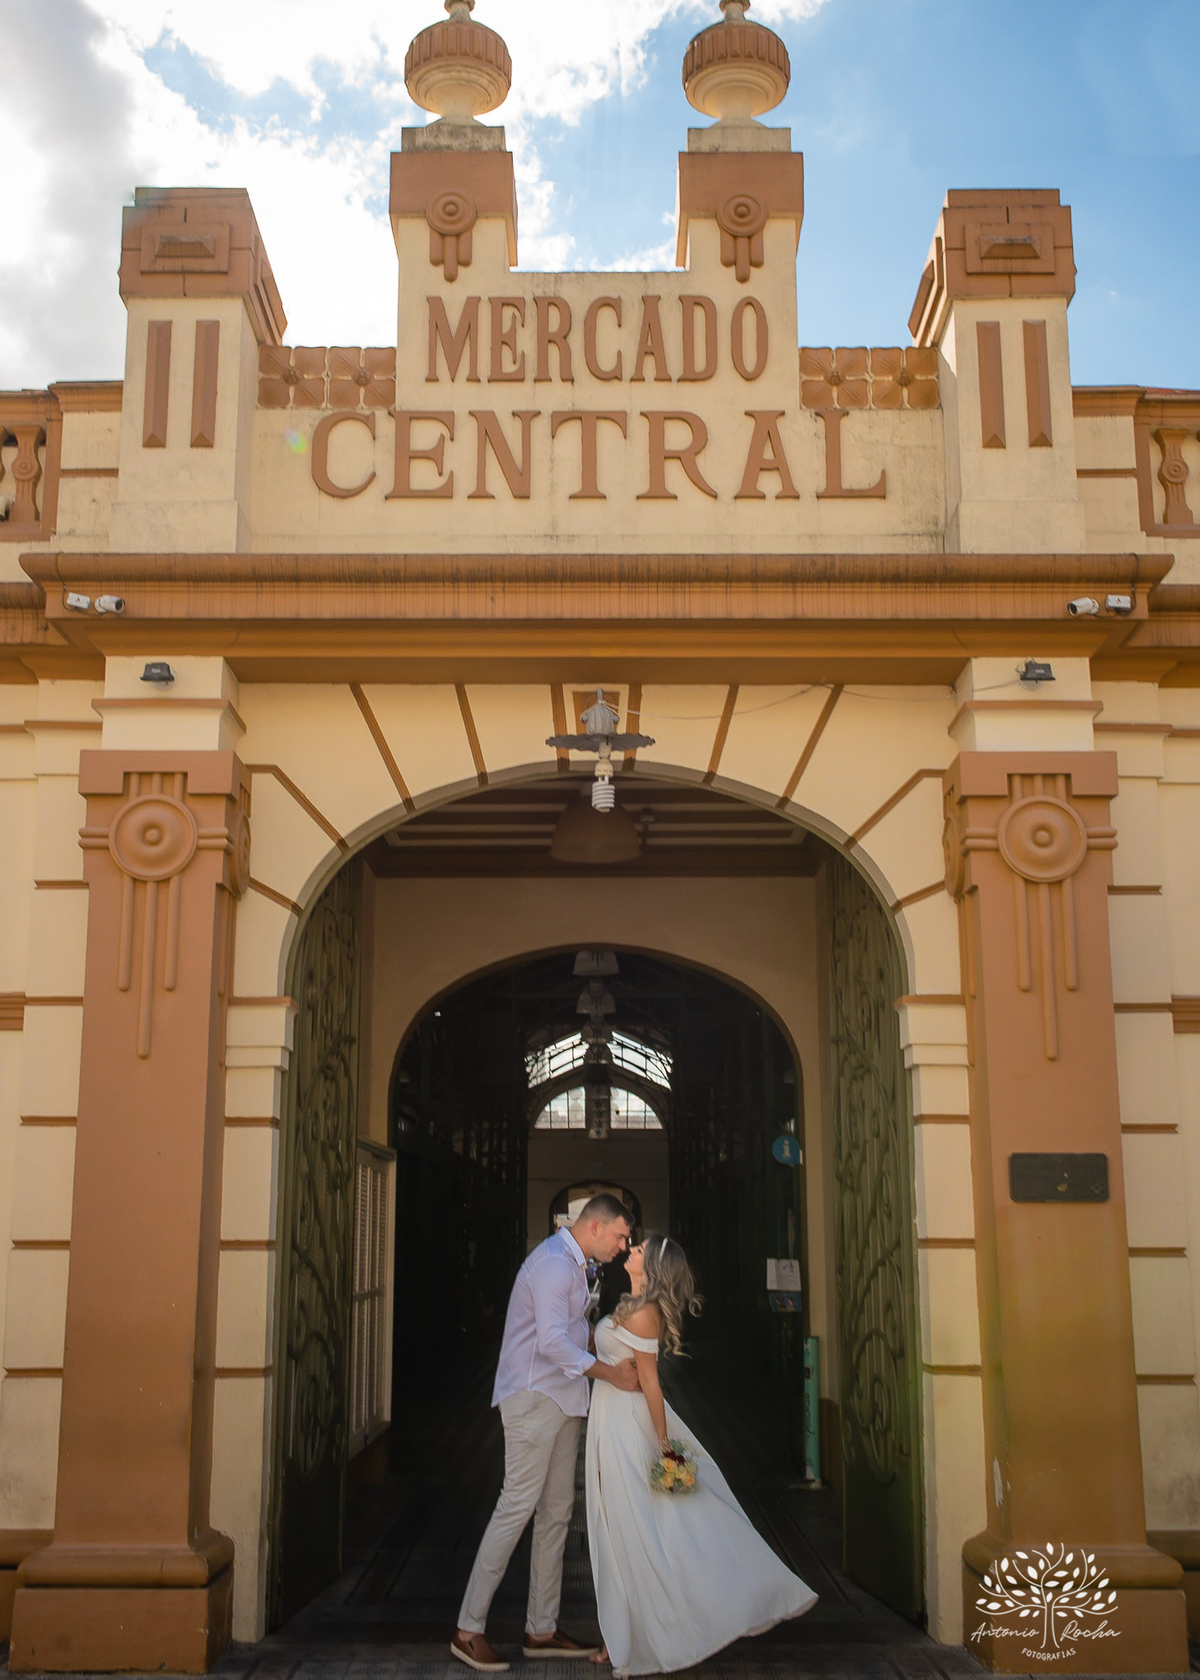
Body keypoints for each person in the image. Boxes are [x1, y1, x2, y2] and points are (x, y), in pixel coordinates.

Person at [585, 1234, 817, 1677]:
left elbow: (651, 1383)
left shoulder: (646, 1314)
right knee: (617, 1525)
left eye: (640, 1250)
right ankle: (621, 1633)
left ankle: (640, 1635)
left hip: (628, 1427)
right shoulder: (628, 1304)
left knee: (635, 1527)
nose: (631, 1249)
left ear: (653, 1267)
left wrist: (664, 1445)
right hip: (608, 1419)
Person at [453, 1193, 640, 1673]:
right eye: (620, 1236)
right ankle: (468, 1629)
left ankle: (541, 1628)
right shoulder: (555, 1264)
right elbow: (553, 1342)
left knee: (557, 1513)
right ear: (595, 1226)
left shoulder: (573, 1264)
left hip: (562, 1398)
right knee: (516, 1505)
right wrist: (610, 1373)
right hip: (534, 1397)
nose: (623, 1246)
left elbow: (569, 1331)